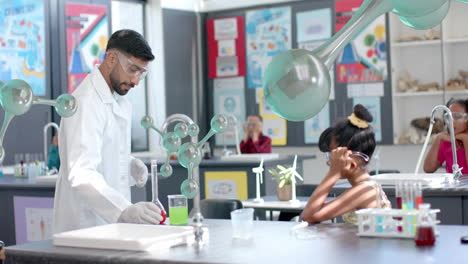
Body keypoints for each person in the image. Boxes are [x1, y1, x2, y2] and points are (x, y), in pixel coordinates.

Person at [54, 29, 163, 234]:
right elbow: (81, 172)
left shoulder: (119, 99)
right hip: (84, 226)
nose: (136, 81)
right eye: (132, 69)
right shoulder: (85, 102)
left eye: (142, 73)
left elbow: (101, 150)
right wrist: (123, 209)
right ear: (111, 58)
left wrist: (128, 163)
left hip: (110, 226)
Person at [302, 104, 391, 224]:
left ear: (353, 160)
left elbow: (309, 215)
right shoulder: (366, 186)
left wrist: (333, 173)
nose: (329, 163)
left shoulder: (364, 190)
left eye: (334, 157)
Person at [424, 98, 468, 174]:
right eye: (448, 117)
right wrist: (438, 138)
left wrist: (465, 139)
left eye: (457, 117)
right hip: (454, 186)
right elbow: (428, 168)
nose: (451, 121)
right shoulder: (446, 142)